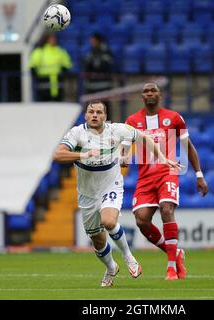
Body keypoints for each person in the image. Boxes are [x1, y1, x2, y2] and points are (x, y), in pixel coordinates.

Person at [53, 100, 181, 287]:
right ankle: (111, 267)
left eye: (99, 112)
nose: (95, 115)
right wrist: (83, 155)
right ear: (86, 115)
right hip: (87, 193)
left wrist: (162, 159)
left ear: (105, 116)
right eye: (91, 112)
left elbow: (144, 137)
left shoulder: (117, 130)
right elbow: (58, 155)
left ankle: (129, 257)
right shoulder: (77, 133)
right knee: (97, 239)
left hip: (110, 185)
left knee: (109, 221)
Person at [121, 83, 209, 280]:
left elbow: (188, 146)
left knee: (166, 209)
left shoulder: (174, 118)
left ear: (160, 94)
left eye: (153, 90)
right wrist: (123, 157)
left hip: (168, 172)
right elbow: (125, 150)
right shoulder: (132, 121)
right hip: (144, 178)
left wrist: (199, 174)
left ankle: (171, 268)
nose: (149, 93)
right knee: (142, 220)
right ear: (142, 96)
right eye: (145, 91)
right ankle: (176, 254)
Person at [29, 34, 72, 102]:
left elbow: (67, 64)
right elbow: (33, 65)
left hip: (57, 81)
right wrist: (34, 71)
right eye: (51, 39)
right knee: (44, 103)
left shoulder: (60, 51)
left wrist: (64, 69)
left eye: (54, 39)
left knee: (58, 103)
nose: (53, 40)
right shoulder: (40, 51)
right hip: (44, 80)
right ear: (46, 40)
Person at [83, 33, 114, 120]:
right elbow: (87, 65)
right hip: (91, 87)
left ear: (98, 40)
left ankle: (107, 128)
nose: (91, 42)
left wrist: (95, 62)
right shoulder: (91, 51)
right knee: (93, 109)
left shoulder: (106, 50)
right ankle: (93, 130)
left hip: (104, 86)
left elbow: (105, 65)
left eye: (93, 40)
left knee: (104, 108)